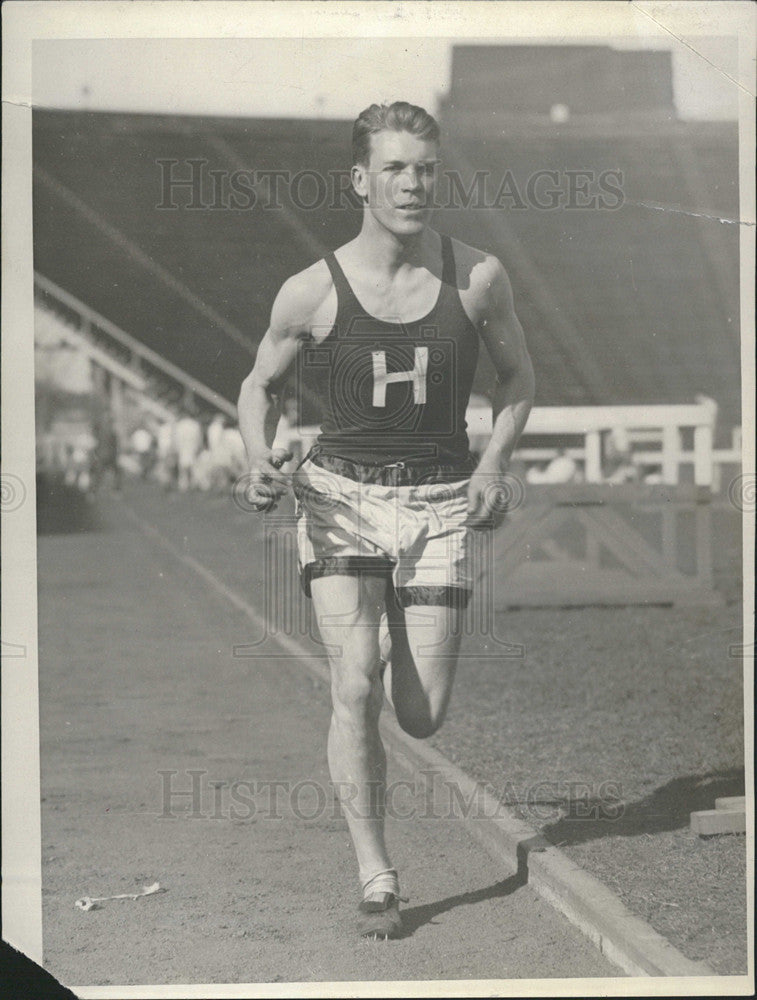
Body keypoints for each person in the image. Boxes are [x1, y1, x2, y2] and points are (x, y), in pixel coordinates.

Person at [236, 101, 535, 940]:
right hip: (341, 500)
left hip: (439, 504)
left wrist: (492, 465)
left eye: (426, 169)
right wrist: (259, 457)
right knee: (353, 683)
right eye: (394, 168)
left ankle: (404, 633)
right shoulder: (310, 289)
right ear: (360, 179)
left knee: (421, 712)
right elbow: (256, 386)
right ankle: (376, 874)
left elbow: (518, 381)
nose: (412, 185)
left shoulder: (477, 278)